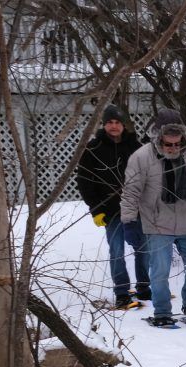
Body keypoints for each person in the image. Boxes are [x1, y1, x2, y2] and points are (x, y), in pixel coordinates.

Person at [120, 108, 186, 327]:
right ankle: (162, 311)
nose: (173, 148)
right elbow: (131, 192)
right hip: (156, 223)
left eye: (177, 144)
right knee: (160, 270)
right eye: (168, 144)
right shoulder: (141, 158)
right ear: (158, 138)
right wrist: (129, 221)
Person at [76, 104, 149, 309]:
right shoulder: (93, 149)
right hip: (110, 210)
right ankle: (122, 292)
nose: (114, 126)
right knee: (117, 251)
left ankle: (144, 287)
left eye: (117, 122)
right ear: (104, 124)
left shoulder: (136, 147)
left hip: (138, 209)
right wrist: (96, 209)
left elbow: (149, 177)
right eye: (110, 122)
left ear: (124, 125)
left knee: (143, 249)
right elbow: (84, 182)